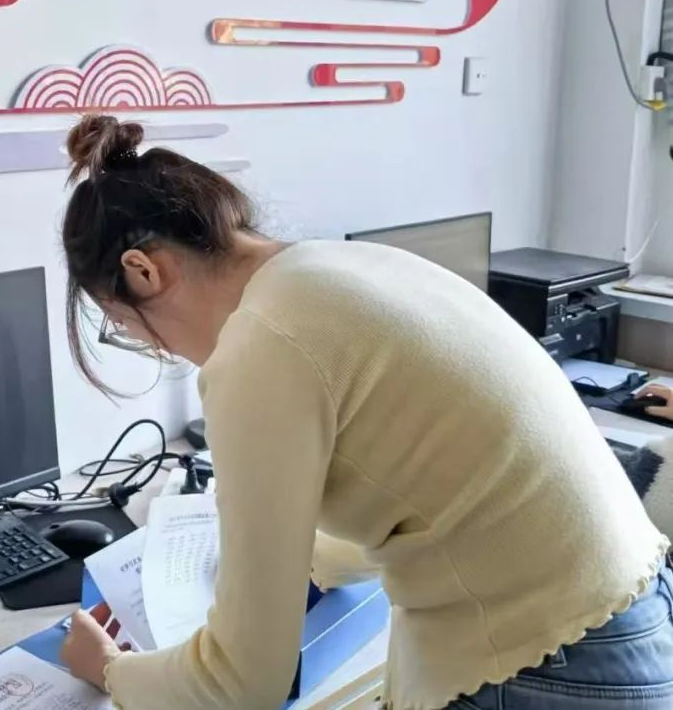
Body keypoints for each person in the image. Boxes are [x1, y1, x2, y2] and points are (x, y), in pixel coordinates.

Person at [56, 115, 673, 710]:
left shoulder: (259, 344)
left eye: (126, 327)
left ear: (144, 272)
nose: (158, 347)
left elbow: (241, 686)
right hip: (630, 616)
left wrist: (109, 669)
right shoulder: (339, 267)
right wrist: (303, 566)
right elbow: (433, 490)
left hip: (551, 666)